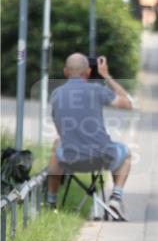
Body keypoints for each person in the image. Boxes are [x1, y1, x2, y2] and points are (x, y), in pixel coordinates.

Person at [46, 53, 134, 220]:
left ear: (66, 72)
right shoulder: (97, 90)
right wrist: (106, 75)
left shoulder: (56, 94)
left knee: (57, 144)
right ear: (87, 72)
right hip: (102, 157)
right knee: (127, 153)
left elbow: (60, 131)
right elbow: (128, 103)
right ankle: (116, 197)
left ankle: (51, 201)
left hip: (70, 159)